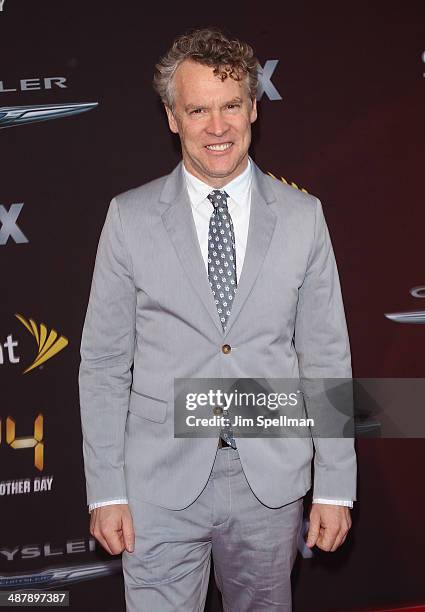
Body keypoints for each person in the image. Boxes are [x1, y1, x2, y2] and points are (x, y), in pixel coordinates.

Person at [79, 27, 356, 612]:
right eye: (198, 109)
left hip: (270, 486)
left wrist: (335, 483)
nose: (218, 126)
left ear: (254, 106)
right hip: (158, 486)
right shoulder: (128, 219)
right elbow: (103, 364)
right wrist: (106, 489)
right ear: (172, 117)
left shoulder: (305, 218)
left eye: (231, 105)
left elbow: (327, 359)